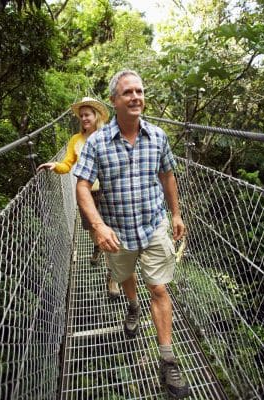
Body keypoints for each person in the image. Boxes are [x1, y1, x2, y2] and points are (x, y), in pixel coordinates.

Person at [73, 70, 191, 398]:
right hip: (117, 231)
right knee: (125, 275)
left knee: (159, 287)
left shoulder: (158, 136)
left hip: (154, 225)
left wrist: (176, 213)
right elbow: (82, 185)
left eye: (139, 91)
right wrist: (97, 226)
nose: (136, 96)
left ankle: (167, 359)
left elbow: (168, 175)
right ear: (114, 101)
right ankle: (131, 305)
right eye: (128, 92)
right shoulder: (96, 142)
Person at [37, 96, 120, 300]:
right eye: (81, 115)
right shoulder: (75, 140)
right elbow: (67, 164)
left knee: (111, 232)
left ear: (96, 116)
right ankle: (98, 248)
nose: (84, 118)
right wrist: (55, 166)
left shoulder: (108, 135)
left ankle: (113, 277)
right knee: (94, 231)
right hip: (86, 194)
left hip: (109, 191)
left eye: (87, 114)